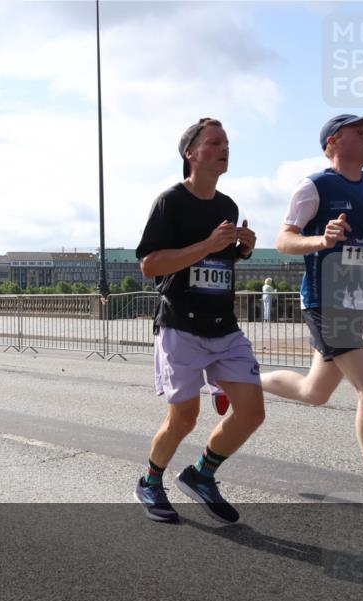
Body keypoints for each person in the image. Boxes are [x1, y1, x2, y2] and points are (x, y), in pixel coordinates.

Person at [260, 113, 363, 522]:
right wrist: (322, 238)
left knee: (315, 392)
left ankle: (240, 378)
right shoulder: (314, 186)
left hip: (353, 304)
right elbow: (283, 239)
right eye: (359, 131)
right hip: (322, 303)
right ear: (334, 142)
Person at [134, 117, 264, 523]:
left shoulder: (228, 206)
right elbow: (150, 265)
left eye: (226, 142)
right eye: (214, 142)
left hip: (223, 326)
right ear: (190, 153)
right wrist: (208, 243)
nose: (224, 148)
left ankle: (201, 475)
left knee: (252, 411)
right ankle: (150, 482)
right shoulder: (170, 201)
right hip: (181, 326)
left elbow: (217, 262)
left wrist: (241, 250)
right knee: (184, 418)